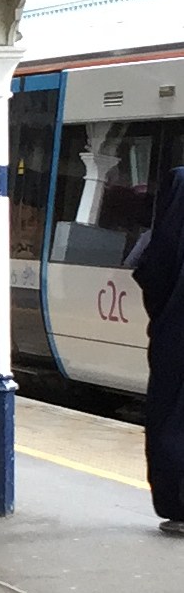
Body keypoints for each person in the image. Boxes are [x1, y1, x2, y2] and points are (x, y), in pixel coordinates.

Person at [132, 166, 184, 534]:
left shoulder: (180, 187)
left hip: (176, 336)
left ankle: (177, 504)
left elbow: (153, 270)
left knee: (172, 417)